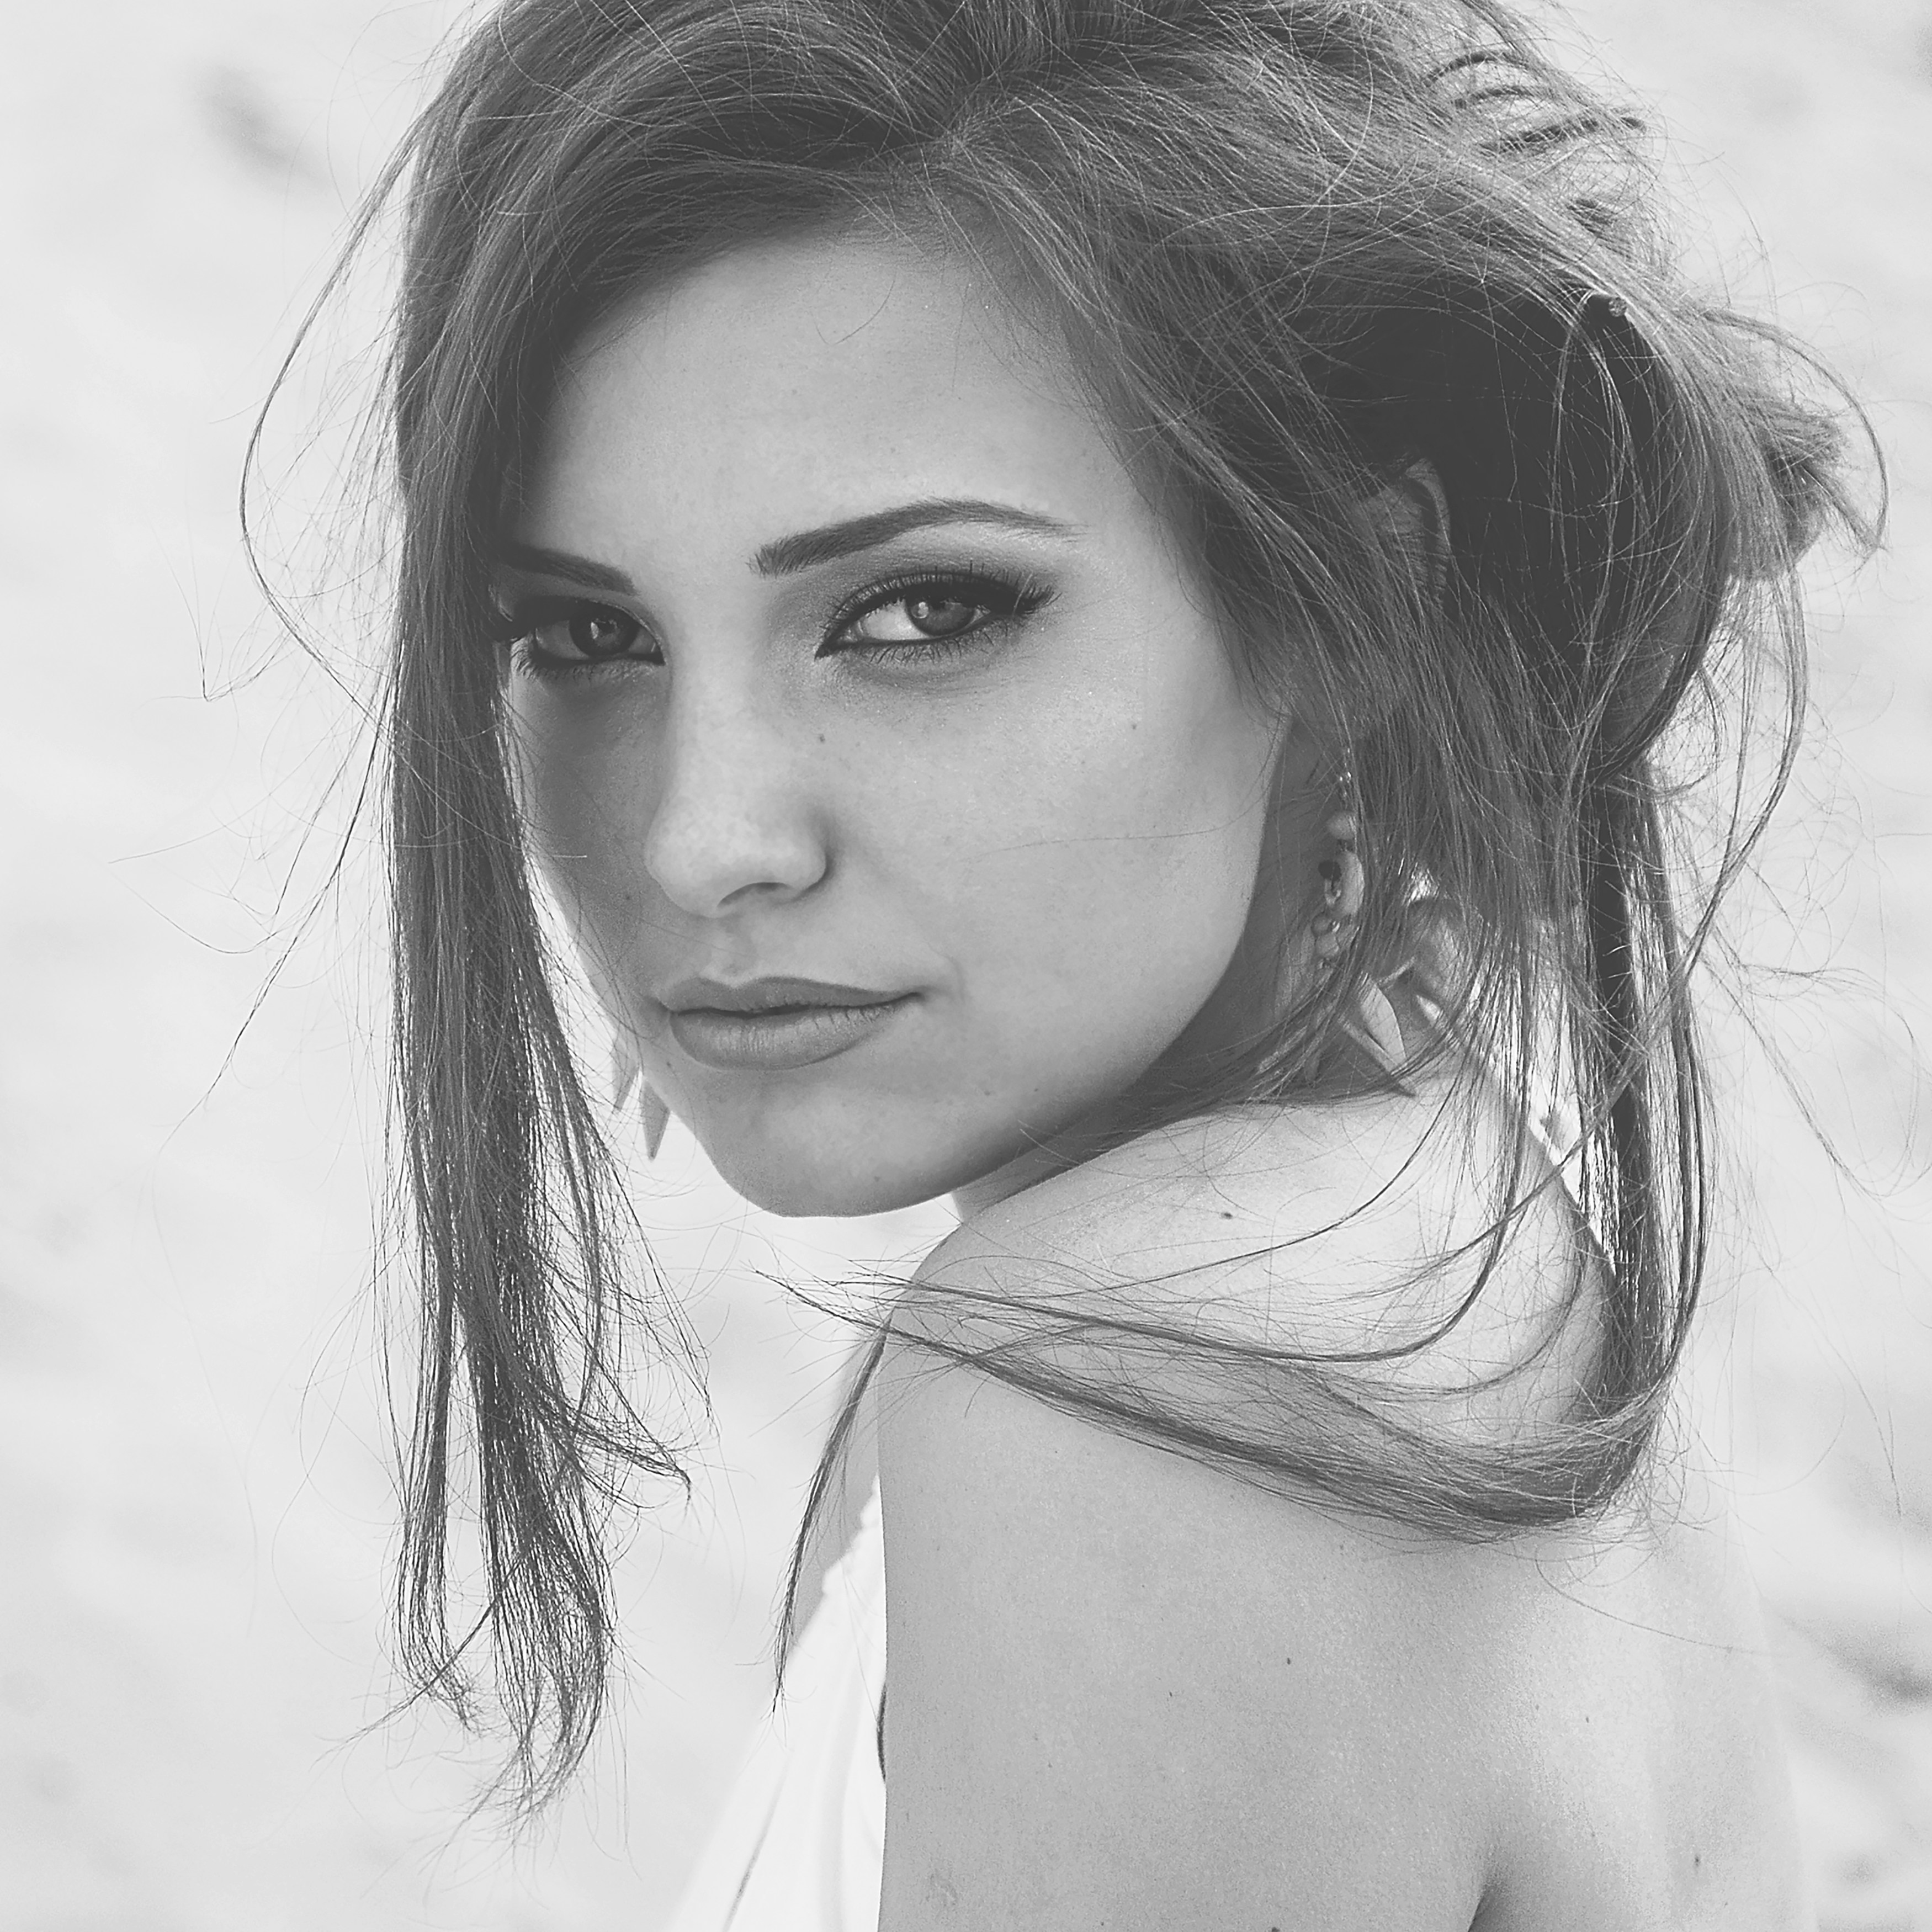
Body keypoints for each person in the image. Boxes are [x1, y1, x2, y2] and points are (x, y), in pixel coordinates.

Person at [306, 0, 1873, 1922]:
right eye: (582, 638)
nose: (702, 841)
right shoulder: (1421, 1198)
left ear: (1352, 605)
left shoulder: (1149, 1396)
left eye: (921, 611)